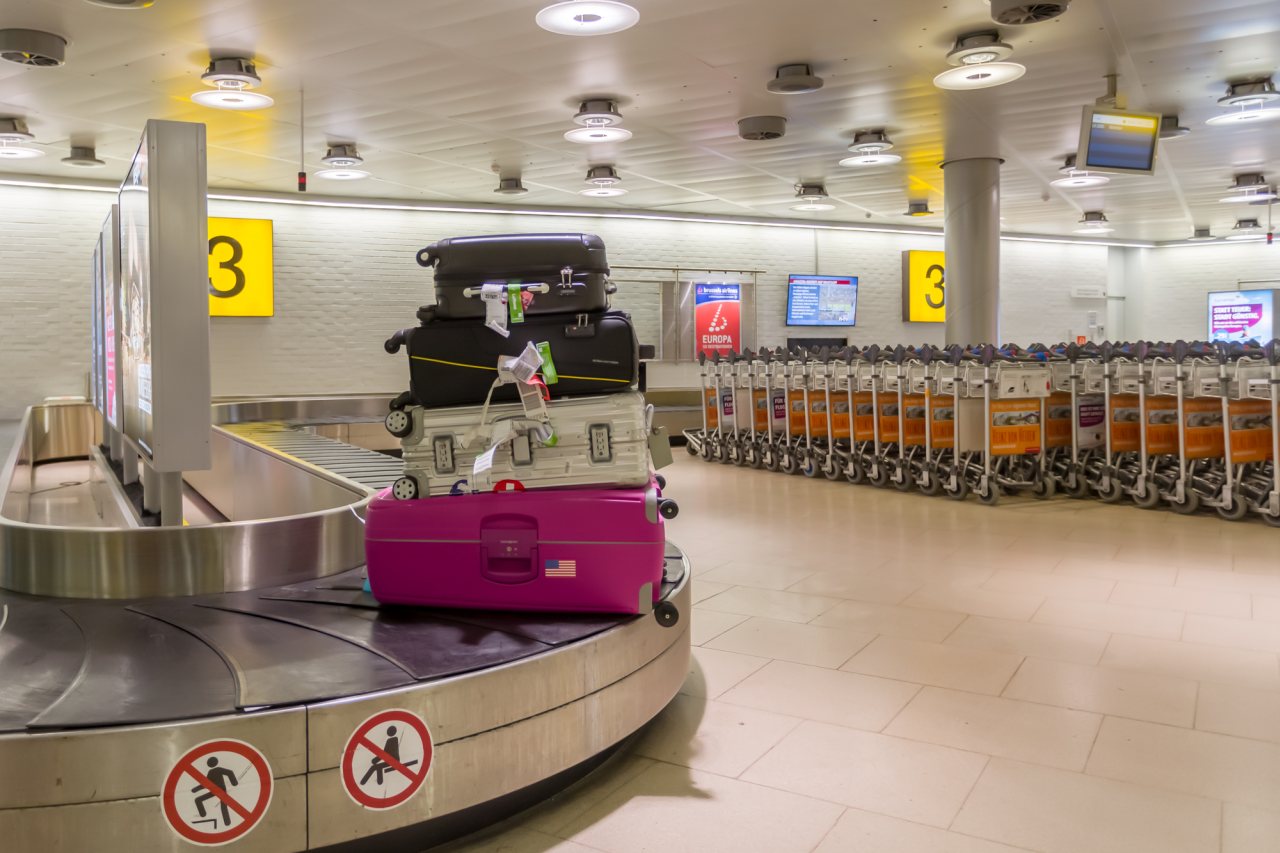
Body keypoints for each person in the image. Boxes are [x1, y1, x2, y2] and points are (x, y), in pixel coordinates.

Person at [192, 756, 237, 827]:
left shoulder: (215, 770)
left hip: (221, 791)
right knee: (198, 800)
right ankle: (204, 815)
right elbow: (206, 783)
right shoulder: (212, 771)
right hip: (216, 791)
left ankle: (227, 823)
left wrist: (195, 790)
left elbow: (229, 772)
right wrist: (234, 782)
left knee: (222, 805)